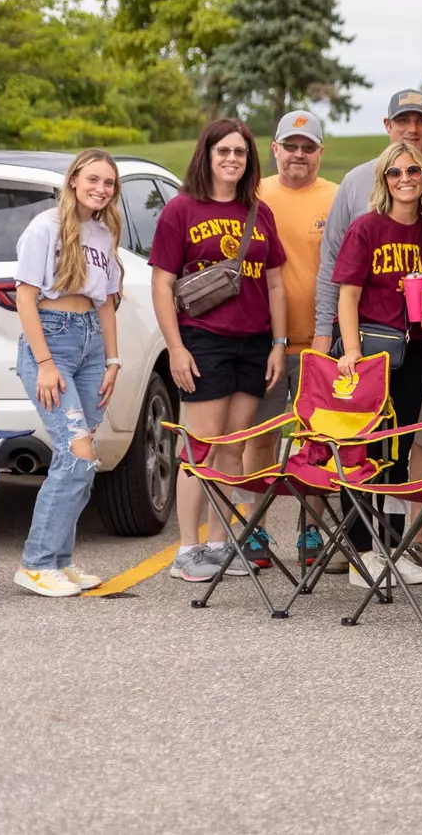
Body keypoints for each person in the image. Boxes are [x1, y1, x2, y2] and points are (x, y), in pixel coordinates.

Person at [313, 89, 422, 570]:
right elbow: (348, 295)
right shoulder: (366, 228)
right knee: (365, 445)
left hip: (413, 349)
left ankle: (393, 545)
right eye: (395, 172)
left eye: (413, 171)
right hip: (370, 349)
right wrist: (349, 351)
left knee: (401, 448)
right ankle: (360, 549)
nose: (404, 178)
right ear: (383, 178)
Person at [150, 118, 288, 583]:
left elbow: (274, 282)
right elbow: (162, 283)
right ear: (206, 155)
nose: (232, 159)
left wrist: (278, 344)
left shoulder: (259, 211)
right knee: (201, 447)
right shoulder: (182, 209)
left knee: (232, 449)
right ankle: (187, 549)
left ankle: (218, 542)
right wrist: (176, 348)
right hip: (203, 340)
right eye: (223, 151)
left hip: (255, 343)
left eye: (241, 153)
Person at [9, 151, 124, 597]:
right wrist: (44, 364)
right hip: (51, 342)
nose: (101, 189)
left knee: (82, 459)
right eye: (93, 179)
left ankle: (60, 561)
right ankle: (36, 563)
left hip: (91, 344)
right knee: (74, 454)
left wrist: (113, 361)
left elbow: (107, 303)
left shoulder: (102, 231)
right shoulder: (45, 227)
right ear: (74, 179)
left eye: (109, 183)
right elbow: (24, 296)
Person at [240, 111, 338, 569]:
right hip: (263, 343)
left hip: (321, 342)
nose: (299, 154)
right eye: (291, 145)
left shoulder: (336, 198)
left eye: (309, 147)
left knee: (315, 442)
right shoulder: (252, 195)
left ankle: (311, 531)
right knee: (258, 436)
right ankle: (253, 528)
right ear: (274, 148)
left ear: (321, 152)